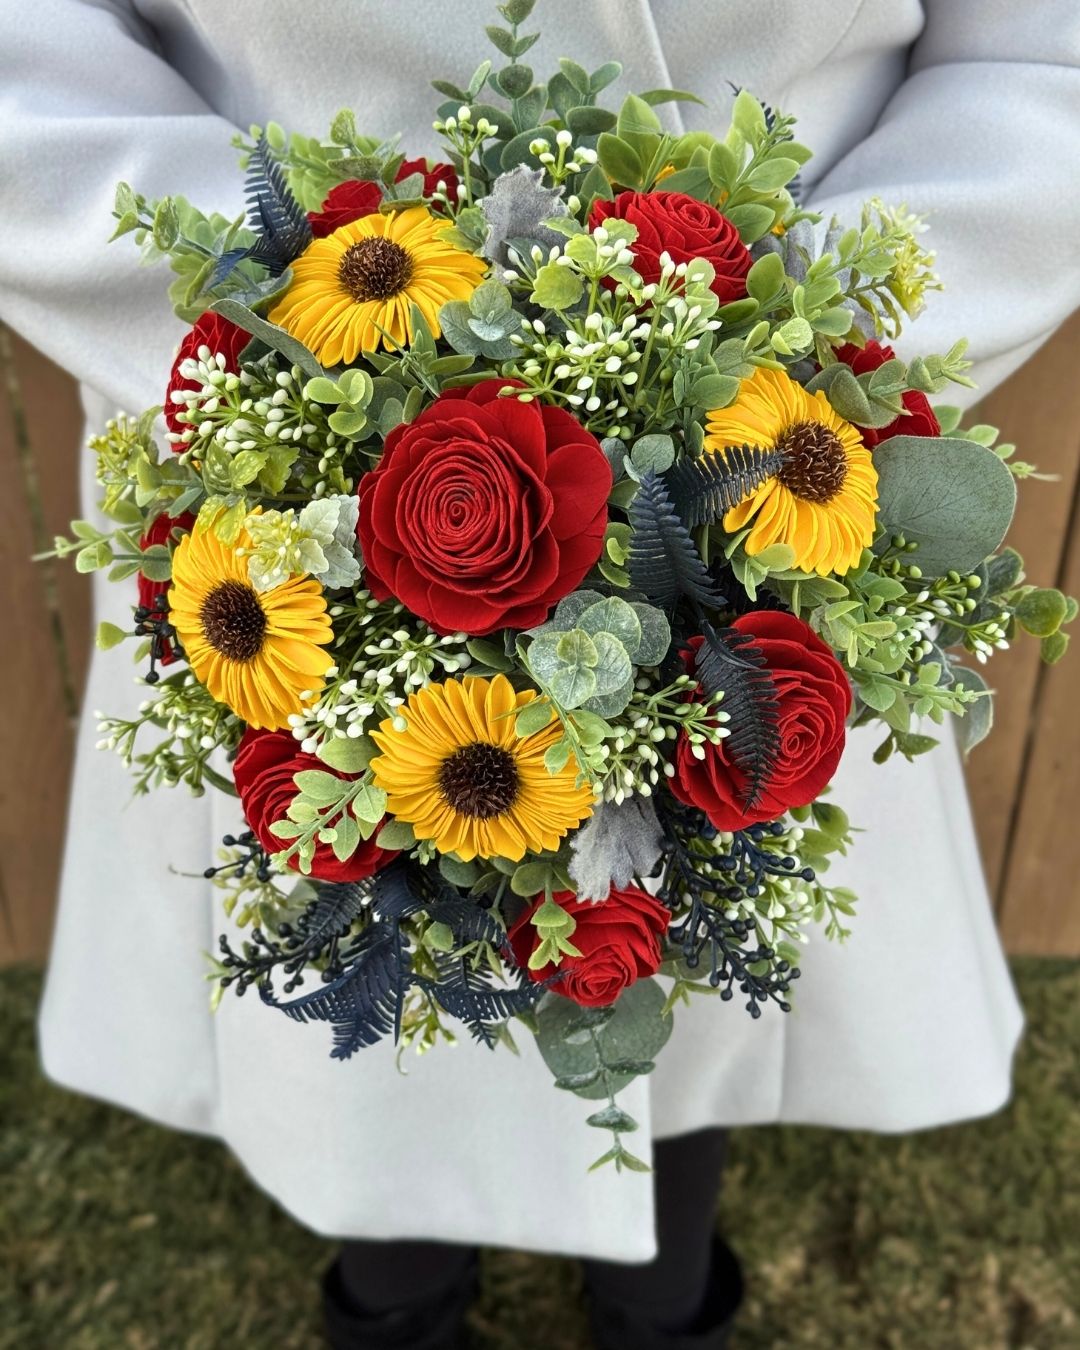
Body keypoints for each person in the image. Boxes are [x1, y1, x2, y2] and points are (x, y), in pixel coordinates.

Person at [3, 2, 1079, 1346]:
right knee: (364, 913)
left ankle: (661, 1298)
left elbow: (1041, 59)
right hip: (292, 463)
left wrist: (793, 350)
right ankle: (397, 1301)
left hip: (770, 439)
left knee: (687, 936)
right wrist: (278, 354)